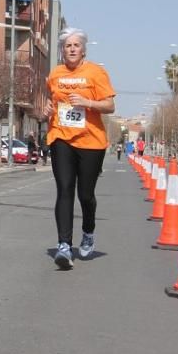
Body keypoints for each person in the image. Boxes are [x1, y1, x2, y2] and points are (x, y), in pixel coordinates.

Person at [45, 27, 116, 270]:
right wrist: (46, 112)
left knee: (85, 195)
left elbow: (110, 105)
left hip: (91, 141)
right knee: (64, 189)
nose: (72, 49)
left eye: (76, 45)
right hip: (61, 137)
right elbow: (51, 104)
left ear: (83, 49)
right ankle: (64, 244)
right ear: (62, 50)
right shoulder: (55, 75)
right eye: (67, 45)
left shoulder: (96, 72)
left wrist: (87, 102)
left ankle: (88, 231)